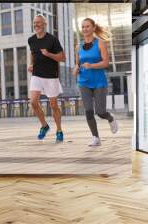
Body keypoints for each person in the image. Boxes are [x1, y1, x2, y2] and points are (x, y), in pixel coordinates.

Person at [73, 18, 118, 146]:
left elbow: (106, 62)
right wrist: (76, 68)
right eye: (83, 27)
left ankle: (110, 118)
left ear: (93, 28)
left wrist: (92, 65)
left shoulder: (100, 44)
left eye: (87, 26)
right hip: (84, 82)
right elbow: (77, 64)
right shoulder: (78, 46)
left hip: (99, 82)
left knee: (100, 112)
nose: (85, 29)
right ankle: (96, 138)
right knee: (88, 110)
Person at [28, 14, 66, 143]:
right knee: (33, 102)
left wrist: (48, 54)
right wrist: (31, 64)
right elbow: (32, 53)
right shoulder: (31, 40)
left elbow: (62, 57)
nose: (36, 25)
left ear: (45, 25)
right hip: (37, 75)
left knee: (54, 105)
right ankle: (44, 126)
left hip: (51, 76)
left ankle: (59, 130)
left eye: (39, 23)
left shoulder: (52, 40)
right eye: (34, 23)